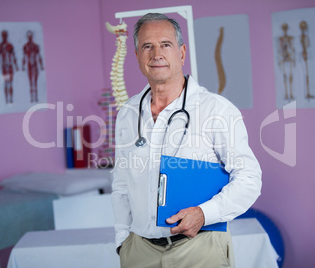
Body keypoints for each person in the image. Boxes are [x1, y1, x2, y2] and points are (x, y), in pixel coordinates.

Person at [111, 13, 262, 268]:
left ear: (181, 53)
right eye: (147, 46)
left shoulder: (218, 111)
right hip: (139, 252)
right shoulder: (128, 114)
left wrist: (204, 214)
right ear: (137, 55)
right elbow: (121, 184)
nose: (156, 53)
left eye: (165, 45)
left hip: (200, 249)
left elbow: (249, 179)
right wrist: (122, 241)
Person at [0, 30, 19, 104]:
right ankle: (6, 100)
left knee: (11, 83)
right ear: (2, 36)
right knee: (6, 83)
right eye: (3, 35)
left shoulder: (10, 46)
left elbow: (14, 56)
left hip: (10, 66)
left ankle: (11, 99)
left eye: (6, 35)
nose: (5, 36)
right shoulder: (0, 46)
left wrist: (16, 66)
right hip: (4, 67)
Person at [22, 30, 44, 103]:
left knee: (36, 82)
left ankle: (36, 97)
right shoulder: (25, 46)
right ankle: (32, 97)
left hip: (35, 65)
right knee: (31, 82)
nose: (30, 37)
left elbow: (39, 56)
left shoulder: (36, 46)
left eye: (30, 36)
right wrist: (22, 65)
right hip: (29, 66)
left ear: (32, 36)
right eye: (28, 36)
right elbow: (24, 57)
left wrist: (41, 65)